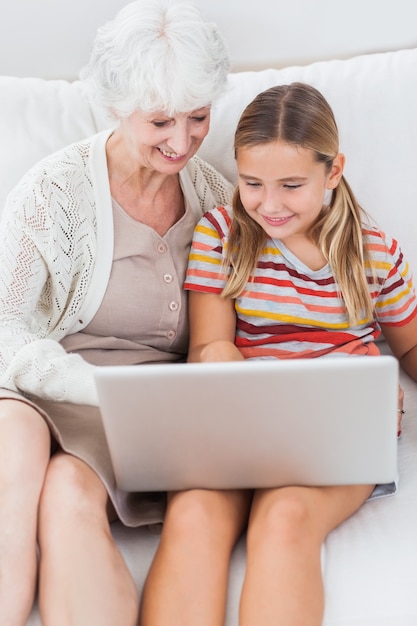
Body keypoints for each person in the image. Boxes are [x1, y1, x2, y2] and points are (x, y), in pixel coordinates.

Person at [140, 82, 417, 626]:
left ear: (332, 172)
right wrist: (233, 384)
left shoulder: (374, 250)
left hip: (338, 431)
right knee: (194, 513)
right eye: (252, 183)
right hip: (242, 419)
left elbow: (409, 345)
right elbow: (209, 344)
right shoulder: (222, 235)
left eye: (291, 185)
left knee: (285, 517)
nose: (269, 204)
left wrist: (385, 398)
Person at [0, 1, 233, 624]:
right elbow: (3, 325)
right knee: (16, 452)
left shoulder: (221, 203)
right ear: (114, 105)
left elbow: (320, 257)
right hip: (47, 385)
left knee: (69, 495)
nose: (181, 141)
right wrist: (90, 386)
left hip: (146, 413)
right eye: (160, 121)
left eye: (198, 118)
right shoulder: (55, 190)